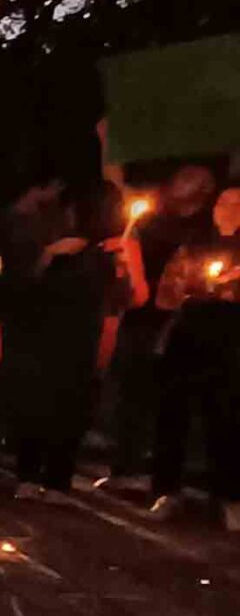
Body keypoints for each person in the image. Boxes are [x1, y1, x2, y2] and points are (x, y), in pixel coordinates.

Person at [7, 181, 136, 499]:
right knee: (40, 405)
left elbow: (122, 299)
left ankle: (56, 479)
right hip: (44, 338)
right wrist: (49, 255)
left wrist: (122, 267)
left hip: (79, 341)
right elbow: (25, 290)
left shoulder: (108, 252)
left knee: (69, 409)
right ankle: (29, 474)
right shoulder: (56, 245)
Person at [104, 165, 218, 489]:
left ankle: (157, 471)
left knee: (165, 397)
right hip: (139, 315)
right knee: (129, 390)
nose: (180, 184)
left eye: (193, 180)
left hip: (176, 320)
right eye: (180, 177)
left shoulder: (202, 228)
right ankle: (125, 466)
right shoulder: (153, 220)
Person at [148, 184, 240, 526]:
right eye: (223, 201)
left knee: (226, 418)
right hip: (189, 336)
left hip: (231, 341)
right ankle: (167, 491)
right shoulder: (194, 244)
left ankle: (229, 497)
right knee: (173, 414)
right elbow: (166, 294)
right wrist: (200, 286)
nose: (228, 208)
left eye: (237, 203)